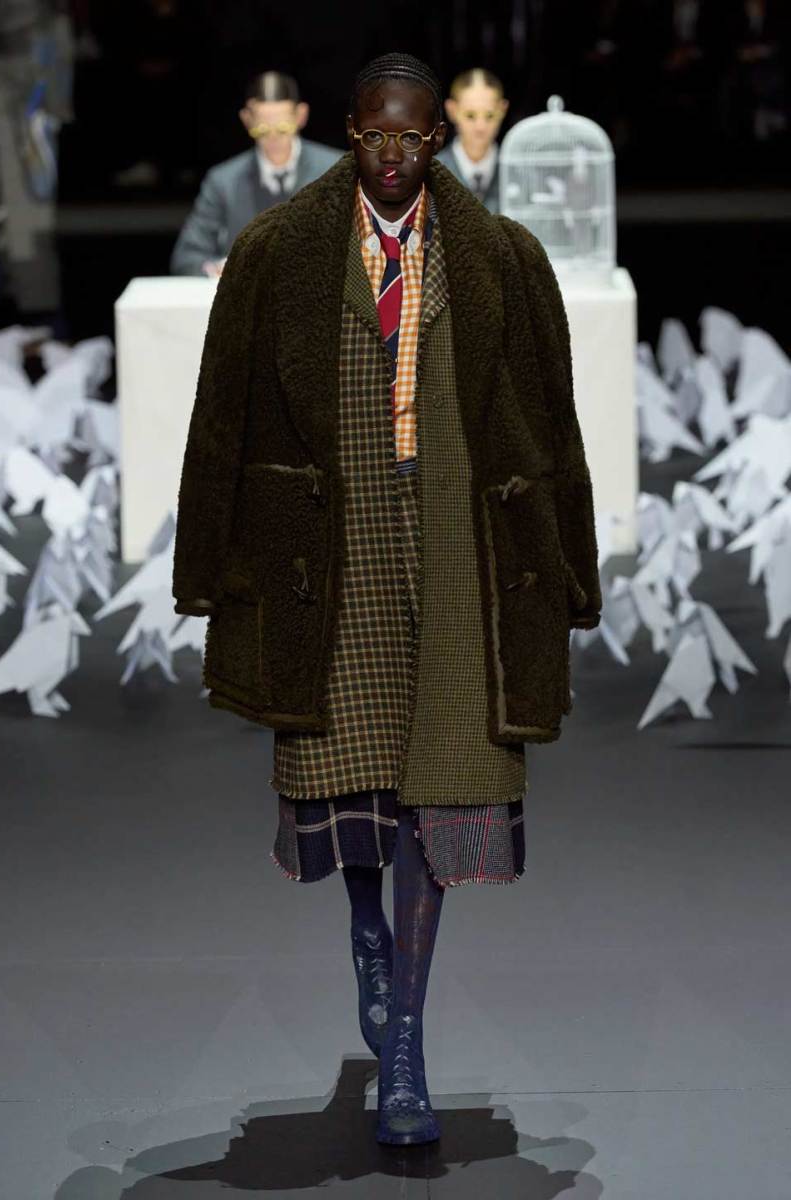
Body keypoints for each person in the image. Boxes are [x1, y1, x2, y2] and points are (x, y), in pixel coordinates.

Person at [172, 51, 601, 1146]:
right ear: (350, 132)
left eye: (412, 138)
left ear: (435, 138)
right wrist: (206, 570)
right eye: (375, 137)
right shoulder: (278, 253)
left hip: (461, 547)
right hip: (336, 546)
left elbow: (553, 429)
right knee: (351, 778)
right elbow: (220, 417)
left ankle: (403, 1038)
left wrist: (570, 570)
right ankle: (369, 937)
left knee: (439, 789)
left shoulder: (502, 258)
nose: (395, 156)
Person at [170, 70, 341, 275]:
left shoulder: (337, 171)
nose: (273, 139)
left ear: (301, 115)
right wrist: (216, 269)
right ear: (247, 120)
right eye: (262, 130)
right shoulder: (223, 182)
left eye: (283, 128)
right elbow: (186, 257)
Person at [436, 67, 508, 212]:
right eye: (470, 115)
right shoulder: (431, 173)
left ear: (502, 110)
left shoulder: (516, 173)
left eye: (489, 115)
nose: (480, 127)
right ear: (452, 110)